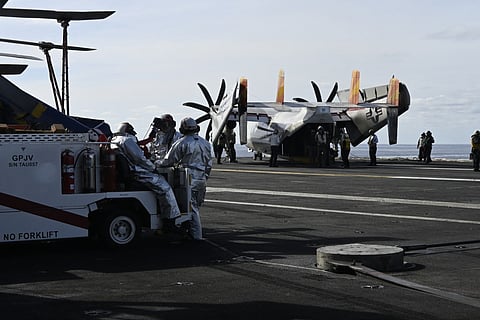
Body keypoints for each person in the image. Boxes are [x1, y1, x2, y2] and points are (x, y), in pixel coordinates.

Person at [110, 122, 181, 224]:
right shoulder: (127, 140)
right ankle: (171, 219)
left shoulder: (114, 140)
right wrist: (153, 167)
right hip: (137, 173)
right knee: (165, 187)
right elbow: (140, 159)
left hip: (126, 173)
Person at [157, 117, 213, 240]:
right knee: (196, 206)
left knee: (191, 209)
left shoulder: (182, 143)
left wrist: (156, 164)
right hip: (201, 179)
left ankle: (196, 236)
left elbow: (169, 160)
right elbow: (209, 164)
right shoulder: (206, 143)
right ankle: (189, 232)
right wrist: (204, 177)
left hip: (188, 179)